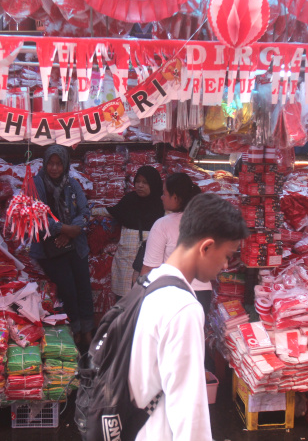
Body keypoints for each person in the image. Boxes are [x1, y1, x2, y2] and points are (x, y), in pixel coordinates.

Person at [130, 193, 248, 440]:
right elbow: (189, 410)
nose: (226, 267)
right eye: (227, 256)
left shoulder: (150, 282)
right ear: (206, 247)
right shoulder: (183, 308)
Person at [31, 145, 95, 349]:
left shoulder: (72, 184)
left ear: (65, 164)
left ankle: (87, 331)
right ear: (45, 163)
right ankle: (75, 330)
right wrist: (64, 229)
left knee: (84, 287)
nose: (55, 168)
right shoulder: (37, 184)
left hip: (75, 244)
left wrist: (70, 232)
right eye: (51, 163)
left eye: (59, 164)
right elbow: (37, 215)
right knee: (68, 289)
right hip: (50, 248)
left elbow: (85, 210)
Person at [141, 173, 212, 315]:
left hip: (173, 295)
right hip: (202, 295)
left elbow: (149, 268)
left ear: (175, 197)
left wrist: (139, 297)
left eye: (164, 194)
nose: (161, 197)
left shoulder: (163, 225)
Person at [105, 165, 164, 299]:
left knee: (147, 296)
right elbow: (113, 211)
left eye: (145, 182)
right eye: (137, 181)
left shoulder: (161, 204)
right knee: (124, 297)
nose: (140, 186)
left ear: (153, 184)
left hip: (149, 257)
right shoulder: (129, 200)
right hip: (127, 256)